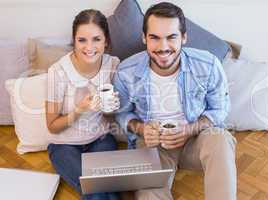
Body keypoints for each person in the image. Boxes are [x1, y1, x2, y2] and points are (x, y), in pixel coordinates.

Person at [113, 2, 237, 200]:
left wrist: (190, 129)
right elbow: (121, 113)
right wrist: (142, 129)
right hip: (153, 144)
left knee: (221, 139)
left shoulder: (209, 64)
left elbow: (220, 109)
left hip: (196, 140)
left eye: (171, 37)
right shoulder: (126, 72)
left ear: (184, 38)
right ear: (144, 38)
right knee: (148, 195)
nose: (163, 47)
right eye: (154, 37)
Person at [46, 9, 120, 200]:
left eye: (96, 39)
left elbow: (112, 117)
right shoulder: (58, 72)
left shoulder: (113, 64)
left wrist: (110, 109)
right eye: (82, 40)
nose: (89, 47)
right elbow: (52, 127)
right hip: (64, 146)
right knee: (94, 189)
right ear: (74, 40)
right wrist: (79, 109)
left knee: (110, 187)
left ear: (106, 41)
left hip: (101, 140)